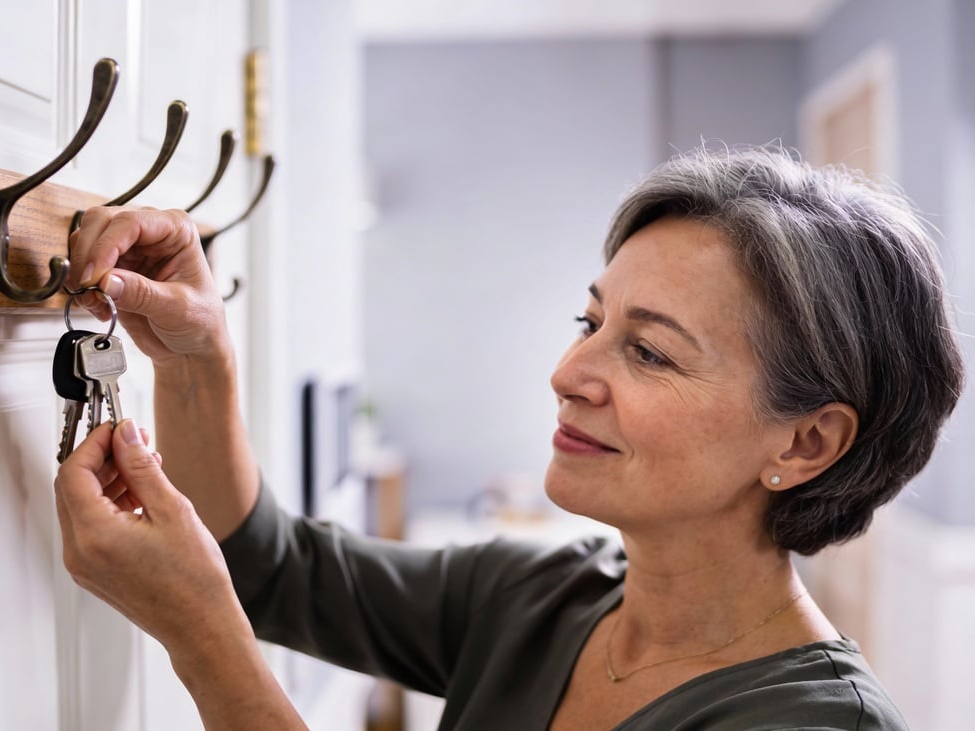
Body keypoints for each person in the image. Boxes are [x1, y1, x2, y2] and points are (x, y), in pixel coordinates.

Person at [53, 147, 965, 730]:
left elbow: (228, 598)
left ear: (806, 444)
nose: (569, 372)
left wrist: (205, 646)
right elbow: (268, 569)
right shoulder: (536, 597)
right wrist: (197, 355)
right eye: (591, 318)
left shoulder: (814, 727)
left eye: (649, 352)